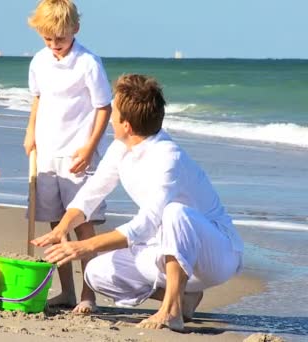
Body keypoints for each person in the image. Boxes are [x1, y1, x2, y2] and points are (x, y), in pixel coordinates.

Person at [33, 74, 244, 331]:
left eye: (114, 110)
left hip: (215, 255)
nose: (110, 115)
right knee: (96, 273)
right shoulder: (121, 148)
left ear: (127, 125)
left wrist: (84, 246)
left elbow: (144, 225)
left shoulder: (168, 157)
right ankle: (183, 297)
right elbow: (91, 193)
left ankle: (172, 312)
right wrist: (62, 228)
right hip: (166, 250)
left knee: (174, 213)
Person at [24, 0, 113, 314]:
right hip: (48, 154)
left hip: (77, 156)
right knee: (55, 224)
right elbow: (38, 99)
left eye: (59, 39)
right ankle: (66, 291)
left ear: (75, 29)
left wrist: (89, 148)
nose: (54, 45)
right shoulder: (39, 61)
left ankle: (90, 294)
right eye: (47, 39)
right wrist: (30, 132)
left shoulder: (88, 62)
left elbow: (104, 107)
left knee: (83, 225)